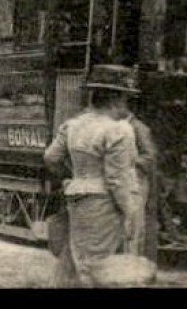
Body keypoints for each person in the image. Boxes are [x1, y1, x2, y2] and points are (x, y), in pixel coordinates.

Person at [43, 65, 145, 287]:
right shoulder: (119, 130)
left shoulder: (73, 125)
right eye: (126, 98)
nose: (126, 105)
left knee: (75, 258)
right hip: (105, 205)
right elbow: (117, 180)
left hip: (78, 200)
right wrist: (130, 213)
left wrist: (72, 179)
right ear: (116, 99)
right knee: (98, 268)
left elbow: (51, 157)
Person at [128, 104, 161, 264]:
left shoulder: (139, 128)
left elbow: (149, 158)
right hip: (123, 181)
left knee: (135, 227)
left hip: (136, 181)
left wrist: (125, 160)